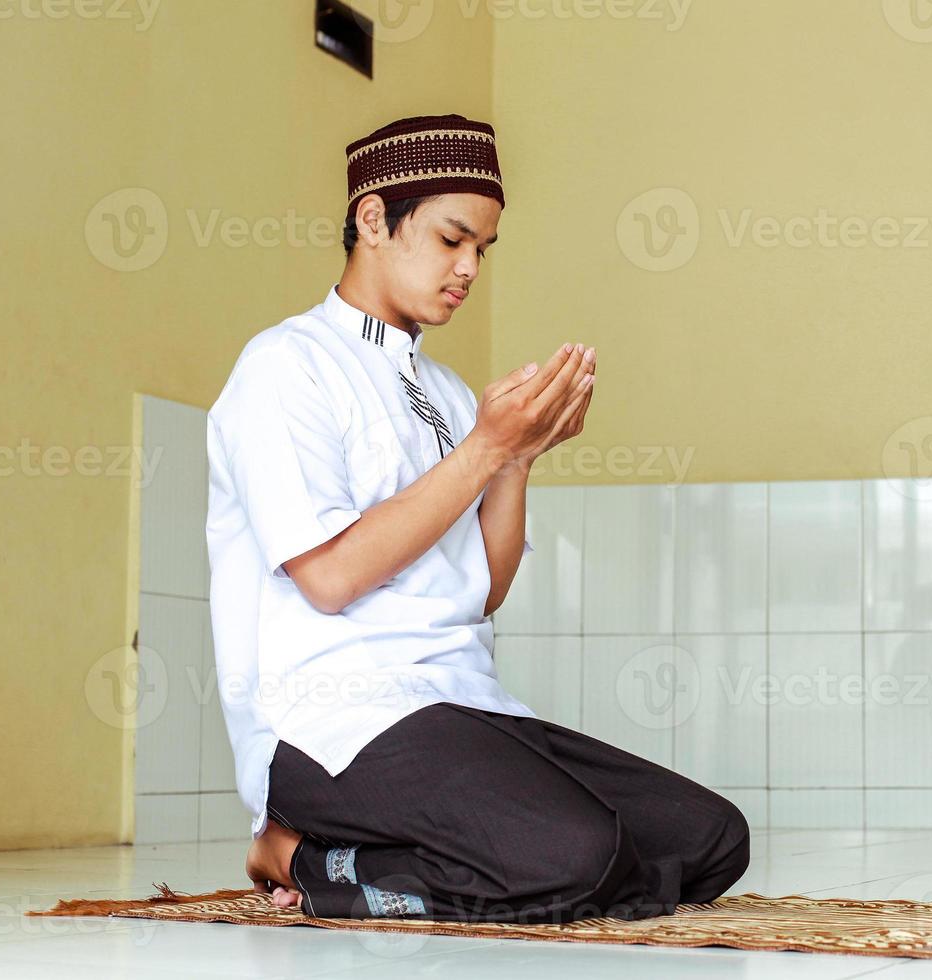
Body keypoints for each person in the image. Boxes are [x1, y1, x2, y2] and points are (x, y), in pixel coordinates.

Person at [205, 113, 749, 922]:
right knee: (582, 855)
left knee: (710, 837)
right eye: (453, 239)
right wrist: (483, 450)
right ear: (372, 219)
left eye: (483, 250)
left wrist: (517, 457)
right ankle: (301, 855)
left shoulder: (454, 394)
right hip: (334, 720)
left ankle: (555, 876)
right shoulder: (287, 366)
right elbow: (328, 577)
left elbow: (482, 592)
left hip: (464, 707)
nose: (468, 269)